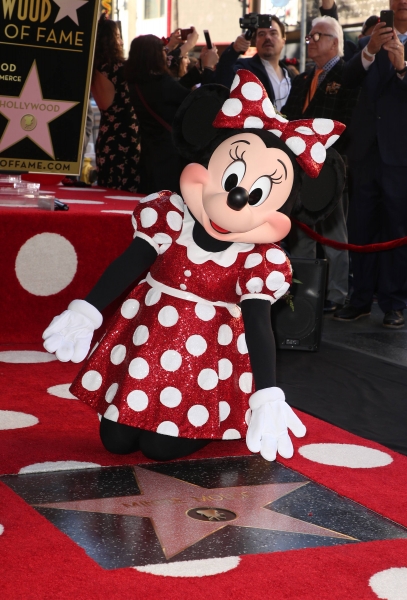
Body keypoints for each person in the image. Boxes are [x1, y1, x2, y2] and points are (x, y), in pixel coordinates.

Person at [42, 71, 345, 463]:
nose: (235, 197)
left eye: (255, 193)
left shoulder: (257, 259)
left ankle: (226, 418)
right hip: (146, 345)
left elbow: (257, 324)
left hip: (205, 366)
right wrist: (87, 309)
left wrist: (267, 392)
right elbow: (130, 263)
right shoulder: (170, 218)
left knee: (159, 448)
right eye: (231, 177)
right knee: (115, 442)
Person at [333, 1, 407, 328]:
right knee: (361, 227)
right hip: (365, 152)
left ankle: (394, 303)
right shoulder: (367, 41)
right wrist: (370, 51)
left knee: (396, 229)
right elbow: (347, 78)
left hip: (401, 154)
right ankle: (360, 297)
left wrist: (403, 67)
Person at [282, 16, 361, 312]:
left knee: (333, 232)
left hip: (330, 167)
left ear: (335, 41)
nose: (311, 41)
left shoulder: (347, 75)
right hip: (301, 166)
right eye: (309, 37)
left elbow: (348, 123)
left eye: (317, 36)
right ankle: (306, 294)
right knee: (302, 233)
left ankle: (337, 294)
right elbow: (289, 118)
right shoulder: (303, 78)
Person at [124, 34, 217, 194]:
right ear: (154, 55)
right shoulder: (161, 84)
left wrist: (200, 65)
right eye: (162, 50)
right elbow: (202, 101)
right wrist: (208, 68)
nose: (165, 54)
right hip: (171, 160)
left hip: (151, 157)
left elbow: (176, 89)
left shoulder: (138, 84)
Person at [91, 14, 141, 192]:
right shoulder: (121, 69)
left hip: (106, 136)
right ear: (111, 41)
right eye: (118, 37)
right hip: (125, 138)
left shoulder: (94, 68)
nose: (121, 42)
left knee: (107, 191)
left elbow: (104, 105)